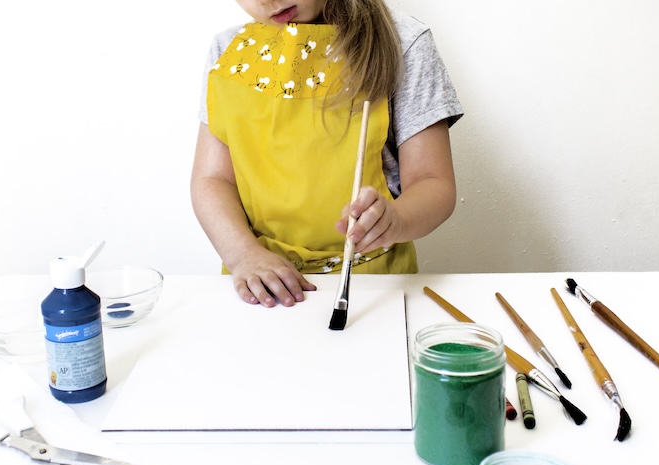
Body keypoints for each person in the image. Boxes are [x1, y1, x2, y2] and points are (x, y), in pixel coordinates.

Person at [191, 0, 463, 307]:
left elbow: (433, 182)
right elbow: (212, 179)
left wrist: (397, 219)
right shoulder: (228, 53)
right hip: (260, 287)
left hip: (374, 286)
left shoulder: (404, 43)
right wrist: (243, 254)